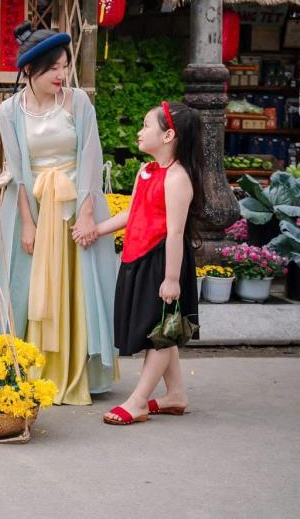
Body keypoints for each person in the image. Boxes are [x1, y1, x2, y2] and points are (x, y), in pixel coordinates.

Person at [0, 22, 118, 406]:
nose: (62, 75)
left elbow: (90, 157)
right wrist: (27, 223)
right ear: (30, 70)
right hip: (33, 206)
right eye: (54, 69)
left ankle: (77, 370)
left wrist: (87, 213)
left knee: (79, 287)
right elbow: (18, 171)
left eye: (65, 66)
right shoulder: (9, 110)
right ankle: (32, 366)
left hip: (76, 204)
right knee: (28, 286)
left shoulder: (78, 102)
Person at [95, 102, 202, 425]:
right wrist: (97, 230)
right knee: (163, 328)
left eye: (146, 126)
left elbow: (176, 232)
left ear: (168, 135)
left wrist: (171, 279)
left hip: (162, 261)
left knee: (159, 334)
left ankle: (138, 401)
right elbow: (133, 212)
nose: (140, 132)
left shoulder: (177, 177)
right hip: (139, 257)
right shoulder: (148, 172)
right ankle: (176, 394)